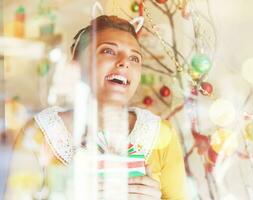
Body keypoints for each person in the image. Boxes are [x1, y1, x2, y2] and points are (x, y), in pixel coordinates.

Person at [6, 15, 187, 200]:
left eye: (135, 58)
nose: (125, 62)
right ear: (77, 64)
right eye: (108, 51)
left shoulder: (161, 134)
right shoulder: (41, 132)